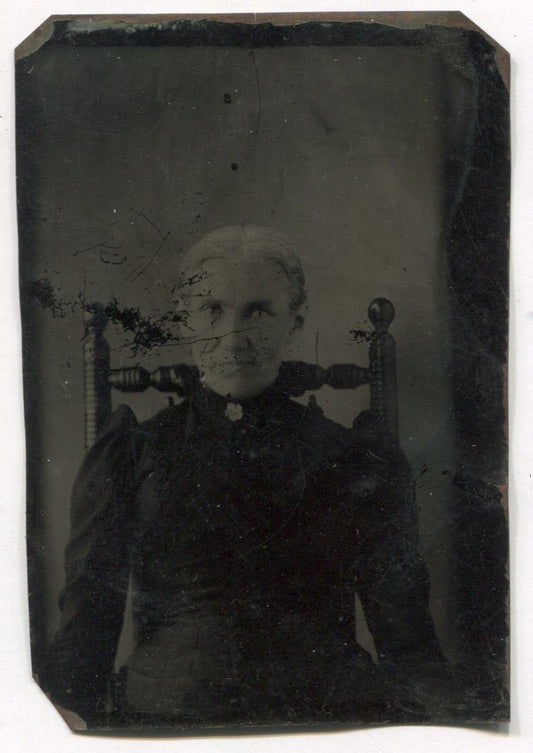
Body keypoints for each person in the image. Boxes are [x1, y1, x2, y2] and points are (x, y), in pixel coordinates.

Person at [44, 226, 446, 728]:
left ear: (295, 323)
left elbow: (406, 632)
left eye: (258, 311)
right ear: (186, 320)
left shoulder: (350, 454)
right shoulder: (134, 451)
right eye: (212, 309)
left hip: (329, 723)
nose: (232, 336)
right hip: (167, 724)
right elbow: (89, 613)